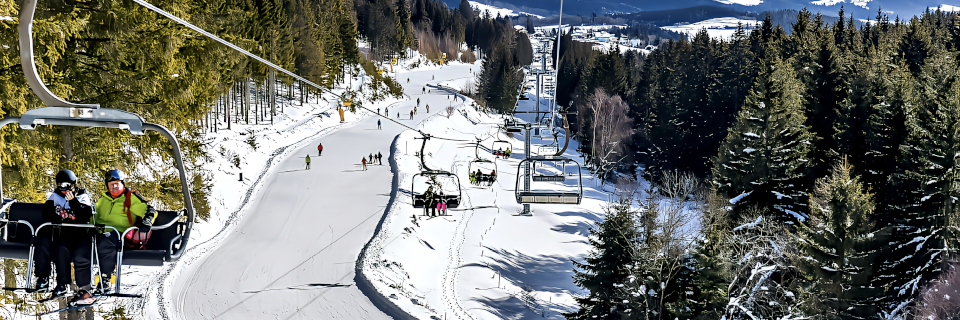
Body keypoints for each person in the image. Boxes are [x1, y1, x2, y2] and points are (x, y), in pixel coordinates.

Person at [88, 169, 156, 303]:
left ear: (122, 184)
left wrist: (148, 221)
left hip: (120, 236)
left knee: (107, 240)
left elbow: (149, 210)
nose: (114, 186)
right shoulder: (103, 201)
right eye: (111, 183)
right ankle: (81, 285)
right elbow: (93, 218)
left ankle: (105, 279)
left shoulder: (130, 198)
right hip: (102, 234)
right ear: (107, 185)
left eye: (117, 183)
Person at [34, 169, 95, 300]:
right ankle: (62, 284)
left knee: (81, 254)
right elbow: (47, 213)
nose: (64, 189)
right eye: (60, 185)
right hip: (64, 233)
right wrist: (57, 216)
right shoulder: (55, 196)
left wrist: (73, 201)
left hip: (79, 233)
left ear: (73, 185)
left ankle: (85, 288)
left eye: (67, 185)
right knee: (60, 249)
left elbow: (85, 214)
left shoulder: (81, 196)